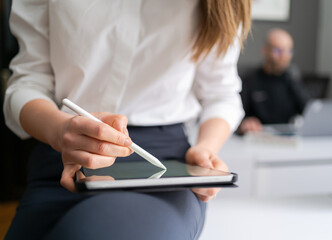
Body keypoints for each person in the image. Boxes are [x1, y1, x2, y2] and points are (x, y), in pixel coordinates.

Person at [3, 0, 251, 239]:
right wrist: (58, 130)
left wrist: (206, 149)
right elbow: (28, 82)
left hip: (165, 167)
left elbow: (221, 94)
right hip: (66, 156)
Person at [237, 28, 309, 134]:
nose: (284, 56)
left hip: (287, 139)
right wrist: (244, 123)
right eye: (278, 51)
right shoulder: (250, 81)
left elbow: (308, 109)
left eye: (289, 51)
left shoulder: (291, 79)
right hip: (257, 138)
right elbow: (236, 113)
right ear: (265, 50)